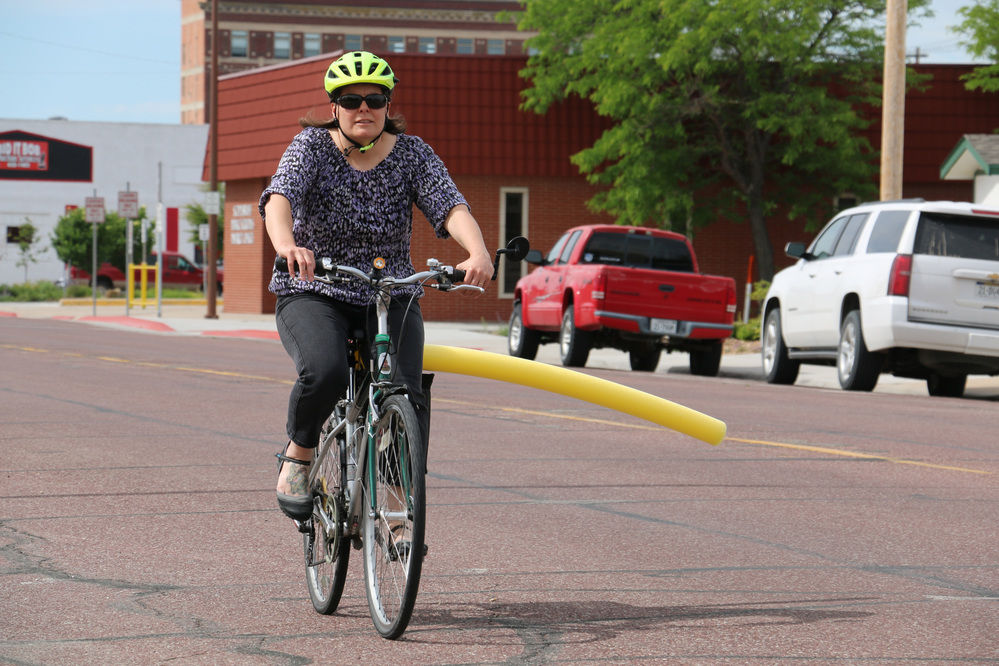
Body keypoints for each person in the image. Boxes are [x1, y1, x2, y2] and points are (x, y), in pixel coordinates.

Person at [259, 50, 493, 520]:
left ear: (388, 105)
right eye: (351, 100)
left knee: (405, 393)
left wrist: (478, 252)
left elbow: (449, 206)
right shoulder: (310, 148)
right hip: (314, 287)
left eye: (374, 98)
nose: (363, 108)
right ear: (334, 108)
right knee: (323, 370)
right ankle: (300, 455)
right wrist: (288, 247)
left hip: (389, 294)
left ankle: (396, 502)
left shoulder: (412, 154)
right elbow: (278, 199)